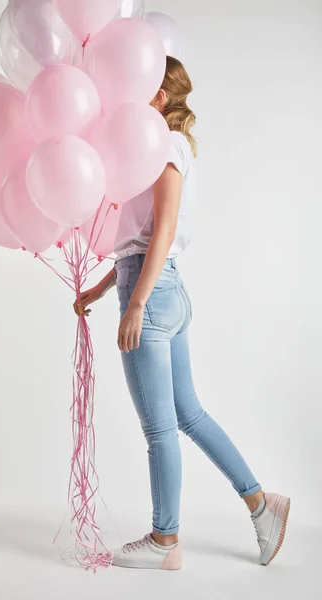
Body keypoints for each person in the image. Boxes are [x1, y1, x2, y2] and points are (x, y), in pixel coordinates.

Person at [73, 56, 290, 571]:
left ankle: (164, 539)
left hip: (152, 293)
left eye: (139, 87)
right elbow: (140, 241)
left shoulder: (164, 146)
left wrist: (136, 303)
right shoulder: (153, 148)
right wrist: (105, 289)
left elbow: (163, 232)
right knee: (187, 414)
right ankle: (263, 506)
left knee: (161, 429)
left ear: (160, 99)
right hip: (158, 285)